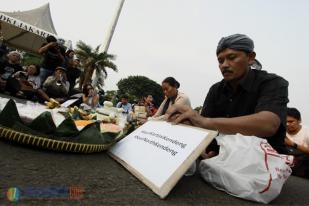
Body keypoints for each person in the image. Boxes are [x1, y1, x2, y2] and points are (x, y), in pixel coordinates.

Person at [165, 34, 289, 157]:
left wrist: (203, 121)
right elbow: (203, 127)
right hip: (220, 159)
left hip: (264, 164)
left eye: (231, 57)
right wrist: (186, 122)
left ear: (250, 58)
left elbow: (268, 124)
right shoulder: (215, 90)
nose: (224, 65)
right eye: (220, 61)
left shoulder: (273, 83)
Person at [284, 107, 309, 178]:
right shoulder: (281, 131)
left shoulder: (307, 131)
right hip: (286, 158)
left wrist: (292, 144)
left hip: (302, 161)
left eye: (291, 121)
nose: (287, 124)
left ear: (299, 120)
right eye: (285, 122)